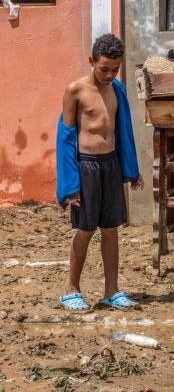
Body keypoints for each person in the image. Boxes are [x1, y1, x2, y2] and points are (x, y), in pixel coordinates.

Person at [56, 33, 144, 311]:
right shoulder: (75, 91)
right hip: (86, 168)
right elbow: (65, 138)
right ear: (91, 61)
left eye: (114, 69)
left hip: (111, 165)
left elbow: (123, 132)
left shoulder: (117, 89)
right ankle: (72, 289)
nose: (109, 74)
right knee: (85, 229)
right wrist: (70, 185)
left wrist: (130, 169)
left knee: (111, 230)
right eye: (103, 68)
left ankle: (112, 291)